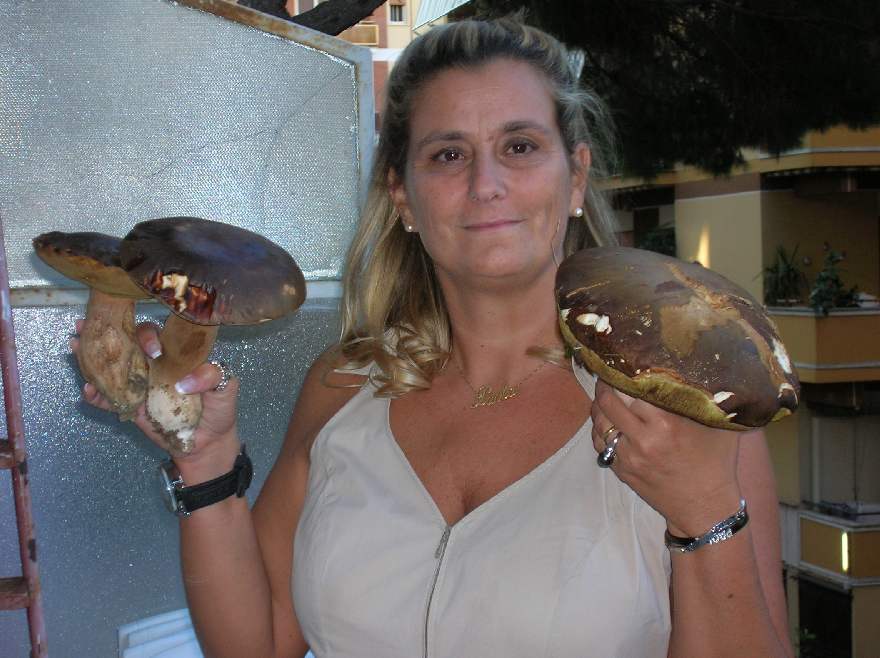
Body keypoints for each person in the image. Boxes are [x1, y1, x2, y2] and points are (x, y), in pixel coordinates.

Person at [74, 18, 793, 658]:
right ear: (402, 195)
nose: (486, 183)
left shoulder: (685, 409)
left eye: (519, 146)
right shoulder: (343, 384)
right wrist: (205, 464)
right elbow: (258, 643)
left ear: (574, 178)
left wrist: (704, 510)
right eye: (448, 154)